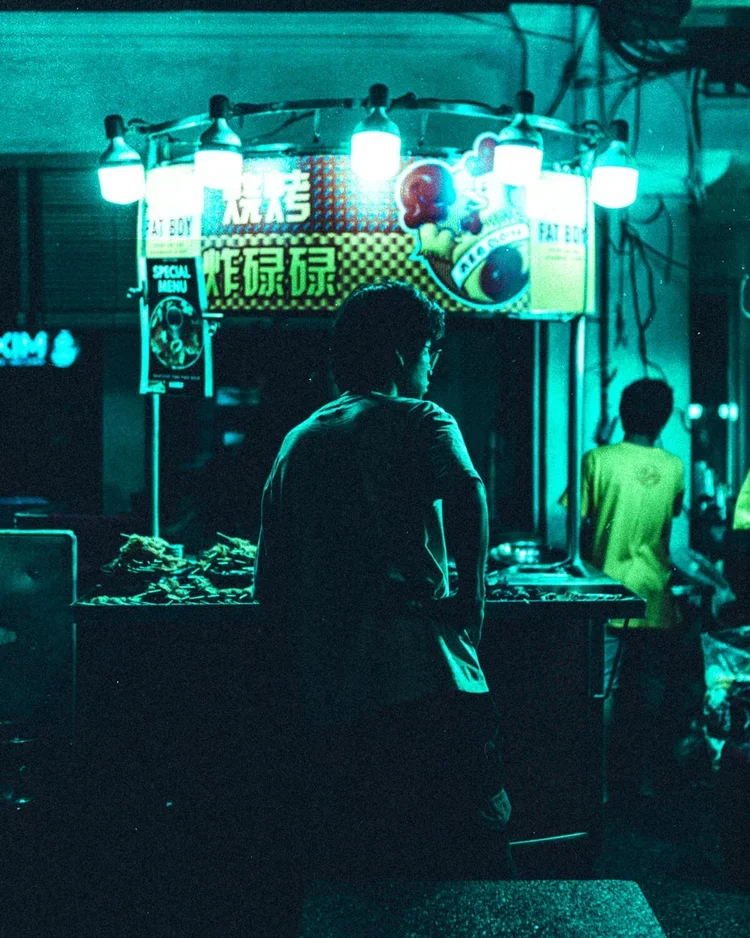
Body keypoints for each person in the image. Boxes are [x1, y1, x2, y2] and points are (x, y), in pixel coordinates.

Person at [253, 280, 514, 886]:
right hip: (430, 673)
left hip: (339, 690)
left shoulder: (299, 441)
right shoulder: (422, 418)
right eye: (428, 352)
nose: (432, 366)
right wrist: (472, 600)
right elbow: (468, 491)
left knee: (369, 859)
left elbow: (271, 583)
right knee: (474, 846)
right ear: (401, 355)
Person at [579, 378, 685, 803]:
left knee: (603, 691)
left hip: (607, 596)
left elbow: (581, 527)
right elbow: (668, 520)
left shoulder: (596, 459)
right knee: (651, 693)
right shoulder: (675, 467)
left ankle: (600, 789)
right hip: (655, 597)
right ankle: (643, 783)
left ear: (622, 413)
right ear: (663, 419)